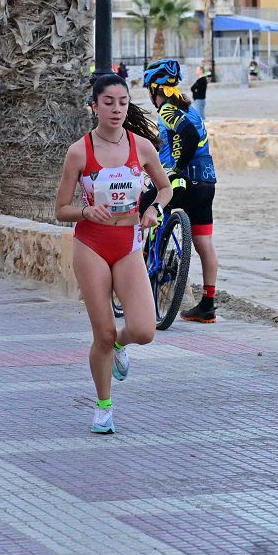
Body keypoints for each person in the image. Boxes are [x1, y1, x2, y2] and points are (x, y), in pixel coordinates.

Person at [54, 73, 172, 434]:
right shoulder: (80, 151)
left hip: (129, 244)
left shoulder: (141, 147)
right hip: (91, 244)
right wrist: (85, 211)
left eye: (122, 102)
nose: (116, 109)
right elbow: (61, 209)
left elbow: (164, 188)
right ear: (94, 106)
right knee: (102, 333)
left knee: (144, 329)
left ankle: (122, 345)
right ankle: (103, 407)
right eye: (108, 102)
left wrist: (154, 210)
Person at [143, 59, 220, 323]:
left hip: (182, 182)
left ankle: (145, 266)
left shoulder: (167, 110)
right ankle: (208, 304)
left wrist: (177, 166)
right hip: (207, 183)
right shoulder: (193, 111)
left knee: (144, 207)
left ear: (155, 89)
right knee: (204, 243)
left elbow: (185, 135)